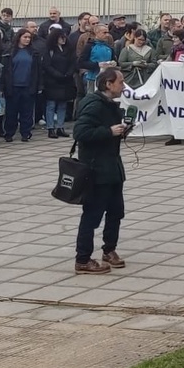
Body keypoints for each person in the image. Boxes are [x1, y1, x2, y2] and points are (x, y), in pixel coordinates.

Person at [73, 68, 130, 274]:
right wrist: (108, 131)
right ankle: (82, 259)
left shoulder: (111, 105)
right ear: (108, 84)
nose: (123, 86)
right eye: (121, 82)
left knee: (116, 211)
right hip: (96, 170)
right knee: (92, 215)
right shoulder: (94, 104)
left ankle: (109, 250)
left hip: (113, 168)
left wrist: (122, 130)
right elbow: (80, 132)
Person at [1, 29, 42, 142]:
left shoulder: (34, 53)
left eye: (29, 38)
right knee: (11, 112)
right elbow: (5, 72)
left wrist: (39, 86)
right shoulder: (10, 52)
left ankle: (25, 133)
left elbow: (38, 71)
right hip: (13, 87)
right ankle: (9, 133)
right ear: (19, 37)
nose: (27, 39)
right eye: (25, 37)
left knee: (27, 112)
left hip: (28, 86)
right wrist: (2, 87)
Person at [42, 28, 76, 138]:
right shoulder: (49, 50)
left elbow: (73, 62)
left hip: (66, 81)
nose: (64, 39)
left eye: (65, 37)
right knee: (51, 105)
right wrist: (58, 75)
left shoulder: (69, 49)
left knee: (63, 105)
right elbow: (47, 65)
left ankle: (60, 127)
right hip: (52, 81)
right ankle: (50, 128)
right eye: (61, 37)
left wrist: (69, 73)